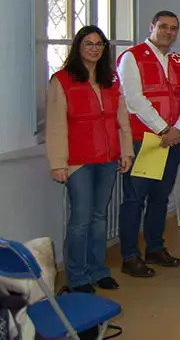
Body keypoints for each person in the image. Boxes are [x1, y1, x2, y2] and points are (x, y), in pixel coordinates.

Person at [46, 26, 134, 293]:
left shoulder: (111, 80)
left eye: (99, 44)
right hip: (78, 161)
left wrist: (126, 151)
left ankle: (98, 270)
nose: (95, 48)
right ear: (78, 47)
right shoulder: (62, 80)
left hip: (108, 159)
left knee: (99, 217)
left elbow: (122, 121)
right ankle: (77, 276)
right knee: (81, 218)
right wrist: (58, 163)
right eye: (89, 43)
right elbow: (56, 125)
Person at [117, 10, 180, 277]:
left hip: (171, 141)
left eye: (174, 28)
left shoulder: (178, 61)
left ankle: (155, 248)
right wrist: (164, 129)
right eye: (163, 26)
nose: (168, 32)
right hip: (144, 141)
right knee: (135, 200)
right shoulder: (132, 57)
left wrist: (179, 130)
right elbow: (134, 100)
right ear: (151, 27)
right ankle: (129, 255)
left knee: (160, 198)